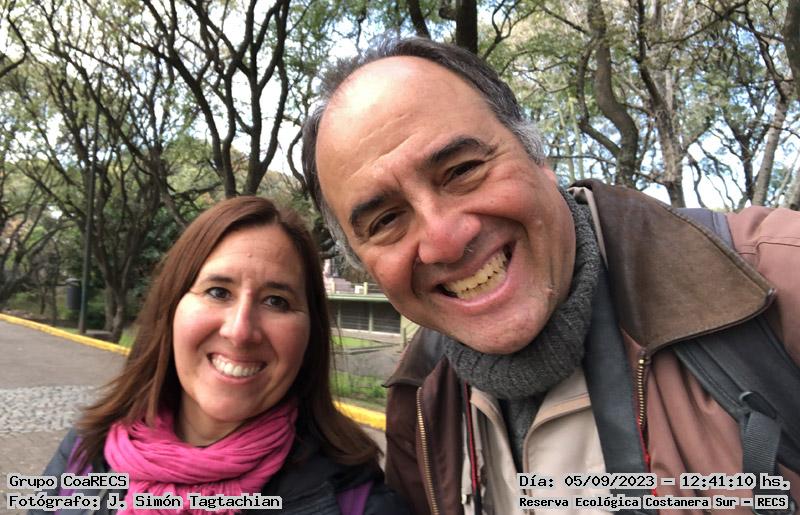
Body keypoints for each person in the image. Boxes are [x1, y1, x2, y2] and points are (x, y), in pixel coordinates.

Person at [300, 37, 800, 514]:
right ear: (361, 259)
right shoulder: (419, 399)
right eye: (386, 220)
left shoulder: (777, 280)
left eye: (462, 170)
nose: (445, 240)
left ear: (538, 157)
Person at [36, 196, 409, 514]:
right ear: (172, 308)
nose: (240, 331)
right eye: (218, 292)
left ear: (310, 332)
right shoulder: (85, 452)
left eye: (276, 301)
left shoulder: (354, 501)